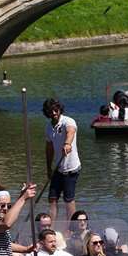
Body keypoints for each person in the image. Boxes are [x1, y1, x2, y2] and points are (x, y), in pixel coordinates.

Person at [42, 98, 81, 229]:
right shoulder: (48, 127)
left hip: (71, 168)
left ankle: (71, 229)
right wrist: (48, 168)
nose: (54, 113)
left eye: (56, 110)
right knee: (52, 198)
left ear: (59, 109)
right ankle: (49, 228)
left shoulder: (68, 121)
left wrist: (67, 143)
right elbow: (49, 149)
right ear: (47, 112)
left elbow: (71, 132)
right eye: (50, 111)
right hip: (58, 169)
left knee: (68, 200)